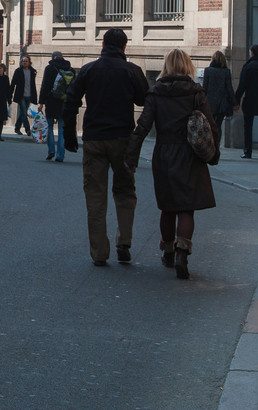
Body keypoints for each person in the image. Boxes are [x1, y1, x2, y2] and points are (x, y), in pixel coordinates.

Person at [130, 49, 219, 280]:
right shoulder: (196, 92)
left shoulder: (156, 92)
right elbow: (210, 125)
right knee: (186, 208)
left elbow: (142, 127)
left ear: (166, 66)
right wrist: (213, 154)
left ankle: (168, 252)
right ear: (187, 65)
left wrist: (131, 157)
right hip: (189, 154)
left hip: (164, 153)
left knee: (168, 206)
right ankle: (182, 254)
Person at [63, 28, 149, 266]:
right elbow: (144, 100)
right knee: (125, 192)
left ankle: (99, 252)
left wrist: (69, 135)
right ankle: (124, 241)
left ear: (103, 45)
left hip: (94, 138)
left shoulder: (89, 70)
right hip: (122, 138)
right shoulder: (132, 71)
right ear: (124, 47)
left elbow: (71, 100)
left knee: (95, 197)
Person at [38, 51, 74, 163]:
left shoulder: (49, 68)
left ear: (53, 58)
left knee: (49, 127)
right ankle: (60, 155)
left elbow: (44, 85)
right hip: (64, 102)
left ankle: (51, 150)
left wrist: (41, 102)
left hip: (51, 101)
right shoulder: (70, 70)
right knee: (62, 129)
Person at [200, 50, 236, 150]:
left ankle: (210, 145)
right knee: (218, 125)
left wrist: (201, 102)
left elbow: (204, 88)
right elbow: (230, 89)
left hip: (209, 103)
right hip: (221, 103)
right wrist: (235, 103)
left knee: (210, 124)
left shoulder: (208, 70)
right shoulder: (226, 72)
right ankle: (216, 146)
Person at [10, 54, 38, 139]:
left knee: (23, 112)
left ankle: (17, 128)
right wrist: (10, 94)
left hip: (29, 94)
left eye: (26, 61)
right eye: (23, 61)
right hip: (21, 95)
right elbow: (13, 82)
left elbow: (33, 85)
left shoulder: (33, 71)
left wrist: (35, 96)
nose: (25, 63)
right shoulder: (18, 71)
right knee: (24, 112)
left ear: (29, 62)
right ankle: (28, 129)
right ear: (21, 62)